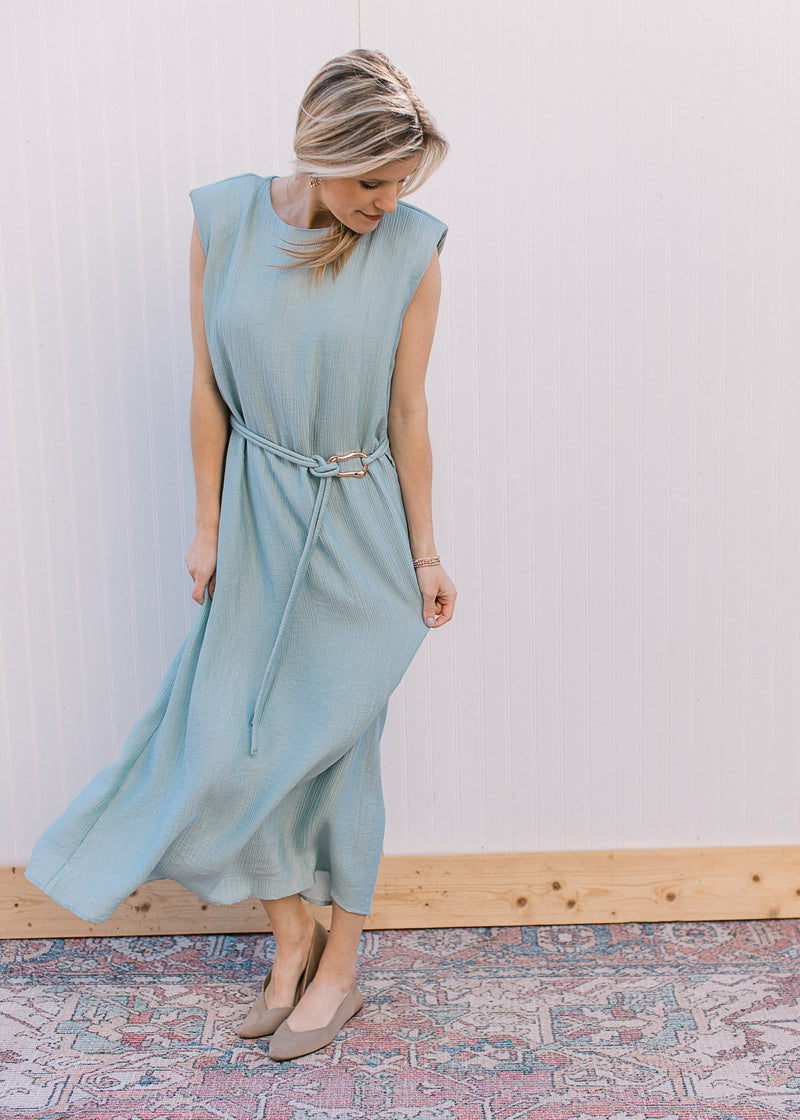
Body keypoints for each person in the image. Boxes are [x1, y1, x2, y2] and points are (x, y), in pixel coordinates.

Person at [25, 48, 456, 1061]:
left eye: (403, 183)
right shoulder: (221, 220)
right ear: (316, 152)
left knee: (340, 751)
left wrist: (426, 554)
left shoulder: (413, 250)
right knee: (237, 736)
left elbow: (407, 412)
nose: (387, 202)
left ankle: (339, 966)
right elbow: (206, 389)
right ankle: (290, 937)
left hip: (360, 524)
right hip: (257, 517)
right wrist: (208, 524)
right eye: (370, 180)